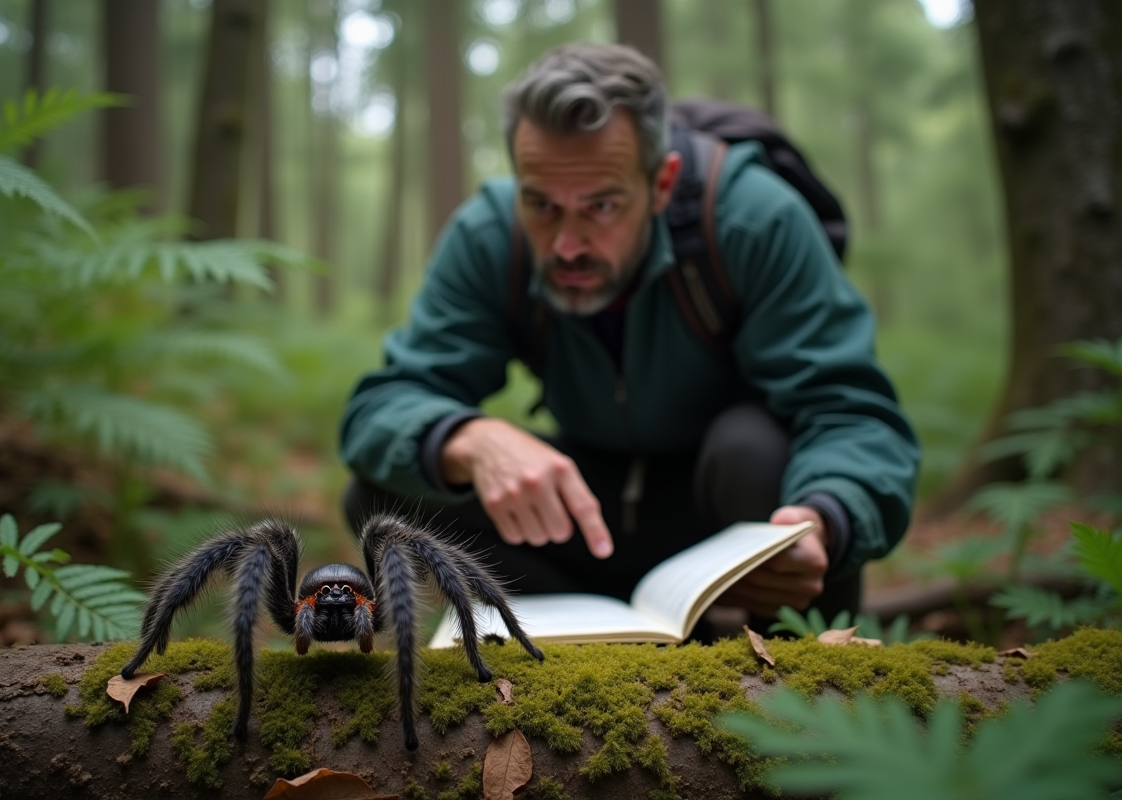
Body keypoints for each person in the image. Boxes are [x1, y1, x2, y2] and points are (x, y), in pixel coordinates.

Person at [339, 42, 919, 630]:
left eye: (601, 205)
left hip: (733, 520)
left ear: (662, 184)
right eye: (541, 204)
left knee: (752, 448)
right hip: (586, 519)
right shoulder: (490, 235)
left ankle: (808, 688)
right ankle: (593, 646)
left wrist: (827, 518)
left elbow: (851, 412)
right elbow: (381, 408)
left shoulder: (754, 219)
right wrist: (468, 438)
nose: (567, 243)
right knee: (388, 496)